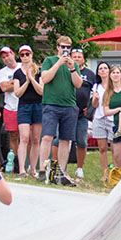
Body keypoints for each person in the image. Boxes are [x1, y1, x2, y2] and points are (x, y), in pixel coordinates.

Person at [38, 36, 84, 186]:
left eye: (68, 48)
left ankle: (62, 171)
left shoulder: (73, 64)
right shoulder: (49, 61)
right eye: (63, 47)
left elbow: (78, 84)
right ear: (57, 47)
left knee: (66, 139)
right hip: (51, 104)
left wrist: (71, 68)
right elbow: (45, 78)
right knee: (47, 137)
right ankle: (42, 170)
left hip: (69, 105)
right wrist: (59, 63)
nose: (65, 50)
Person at [13, 45, 44, 179]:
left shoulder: (40, 71)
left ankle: (33, 168)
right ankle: (21, 169)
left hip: (38, 105)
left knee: (36, 139)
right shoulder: (17, 73)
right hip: (24, 106)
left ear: (31, 55)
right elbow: (17, 93)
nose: (25, 57)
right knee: (24, 138)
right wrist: (26, 81)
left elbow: (41, 91)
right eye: (22, 55)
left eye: (27, 54)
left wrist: (32, 78)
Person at [71, 48, 96, 179]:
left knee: (81, 141)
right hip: (67, 111)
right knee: (61, 140)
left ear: (83, 59)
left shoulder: (90, 74)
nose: (76, 58)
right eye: (74, 56)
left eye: (79, 57)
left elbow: (97, 92)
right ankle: (58, 166)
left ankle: (79, 168)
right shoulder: (65, 71)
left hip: (82, 114)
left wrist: (90, 107)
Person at [0, 47, 20, 173]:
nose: (6, 59)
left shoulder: (23, 66)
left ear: (13, 54)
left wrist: (12, 84)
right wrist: (17, 83)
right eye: (4, 57)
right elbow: (4, 88)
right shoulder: (2, 72)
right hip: (10, 107)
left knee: (27, 137)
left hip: (24, 105)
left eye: (8, 55)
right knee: (13, 136)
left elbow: (29, 83)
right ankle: (14, 162)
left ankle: (25, 164)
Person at [90, 61, 115, 185]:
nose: (103, 70)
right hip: (99, 118)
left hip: (112, 119)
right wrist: (95, 98)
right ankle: (105, 173)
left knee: (115, 148)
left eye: (105, 68)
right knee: (102, 148)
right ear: (98, 72)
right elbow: (94, 105)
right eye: (101, 69)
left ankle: (116, 172)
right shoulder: (96, 86)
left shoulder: (114, 85)